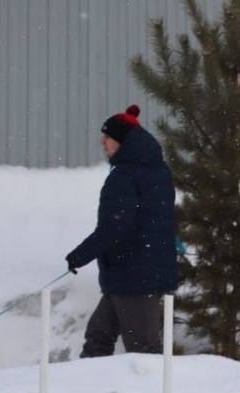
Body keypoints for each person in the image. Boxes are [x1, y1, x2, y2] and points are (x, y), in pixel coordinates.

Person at [66, 104, 177, 357]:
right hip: (132, 273)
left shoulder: (124, 177)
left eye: (108, 137)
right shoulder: (157, 172)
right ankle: (84, 392)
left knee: (144, 352)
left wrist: (80, 255)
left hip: (136, 276)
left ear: (122, 141)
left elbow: (114, 226)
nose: (102, 142)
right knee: (98, 338)